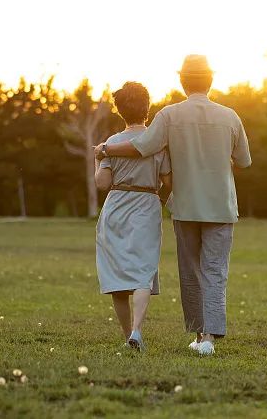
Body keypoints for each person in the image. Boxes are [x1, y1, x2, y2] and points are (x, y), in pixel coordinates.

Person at [95, 54, 252, 355]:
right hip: (220, 205)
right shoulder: (230, 116)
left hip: (185, 205)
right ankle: (208, 338)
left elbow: (142, 146)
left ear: (182, 81)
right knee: (214, 270)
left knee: (191, 271)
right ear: (211, 80)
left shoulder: (168, 116)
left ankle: (198, 333)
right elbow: (244, 161)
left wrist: (106, 149)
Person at [94, 81, 171, 351]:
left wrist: (97, 158)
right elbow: (168, 179)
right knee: (142, 269)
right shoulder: (158, 142)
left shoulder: (110, 144)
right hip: (147, 203)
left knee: (117, 274)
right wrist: (159, 198)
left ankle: (128, 334)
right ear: (147, 107)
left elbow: (102, 184)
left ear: (119, 110)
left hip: (116, 205)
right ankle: (137, 330)